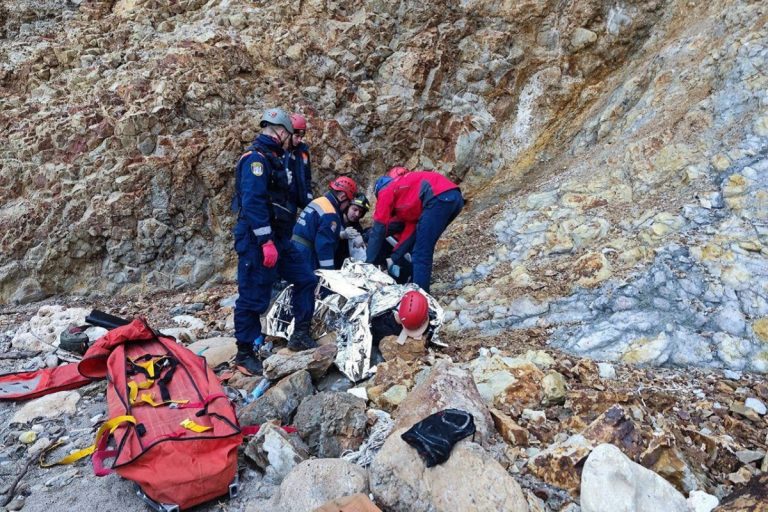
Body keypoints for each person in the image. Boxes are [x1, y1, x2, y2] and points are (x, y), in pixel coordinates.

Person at [232, 107, 319, 374]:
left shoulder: (277, 159)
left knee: (306, 278)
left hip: (281, 239)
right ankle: (244, 353)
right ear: (281, 132)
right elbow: (253, 202)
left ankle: (300, 334)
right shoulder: (256, 160)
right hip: (259, 242)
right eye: (290, 134)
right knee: (252, 297)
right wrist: (265, 241)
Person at [366, 170, 463, 293]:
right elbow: (410, 234)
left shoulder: (386, 190)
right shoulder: (408, 201)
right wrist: (394, 258)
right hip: (454, 199)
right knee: (422, 249)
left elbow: (378, 229)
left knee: (421, 253)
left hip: (439, 197)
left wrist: (368, 264)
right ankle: (420, 292)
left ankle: (420, 297)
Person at [292, 176, 358, 270]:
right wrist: (329, 272)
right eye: (348, 202)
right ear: (342, 197)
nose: (347, 206)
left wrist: (340, 235)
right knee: (309, 283)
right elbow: (324, 245)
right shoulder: (330, 212)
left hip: (295, 248)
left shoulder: (320, 201)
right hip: (306, 254)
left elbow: (316, 230)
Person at [285, 113, 313, 211]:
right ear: (288, 132)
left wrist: (308, 199)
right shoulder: (281, 151)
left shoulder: (303, 152)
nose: (299, 140)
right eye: (297, 136)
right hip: (283, 201)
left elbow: (307, 177)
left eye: (302, 136)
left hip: (296, 202)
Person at [334, 193, 369, 268]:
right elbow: (323, 235)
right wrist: (341, 235)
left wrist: (363, 243)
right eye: (355, 209)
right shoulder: (334, 218)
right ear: (347, 207)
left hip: (343, 264)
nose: (357, 214)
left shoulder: (357, 228)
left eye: (360, 212)